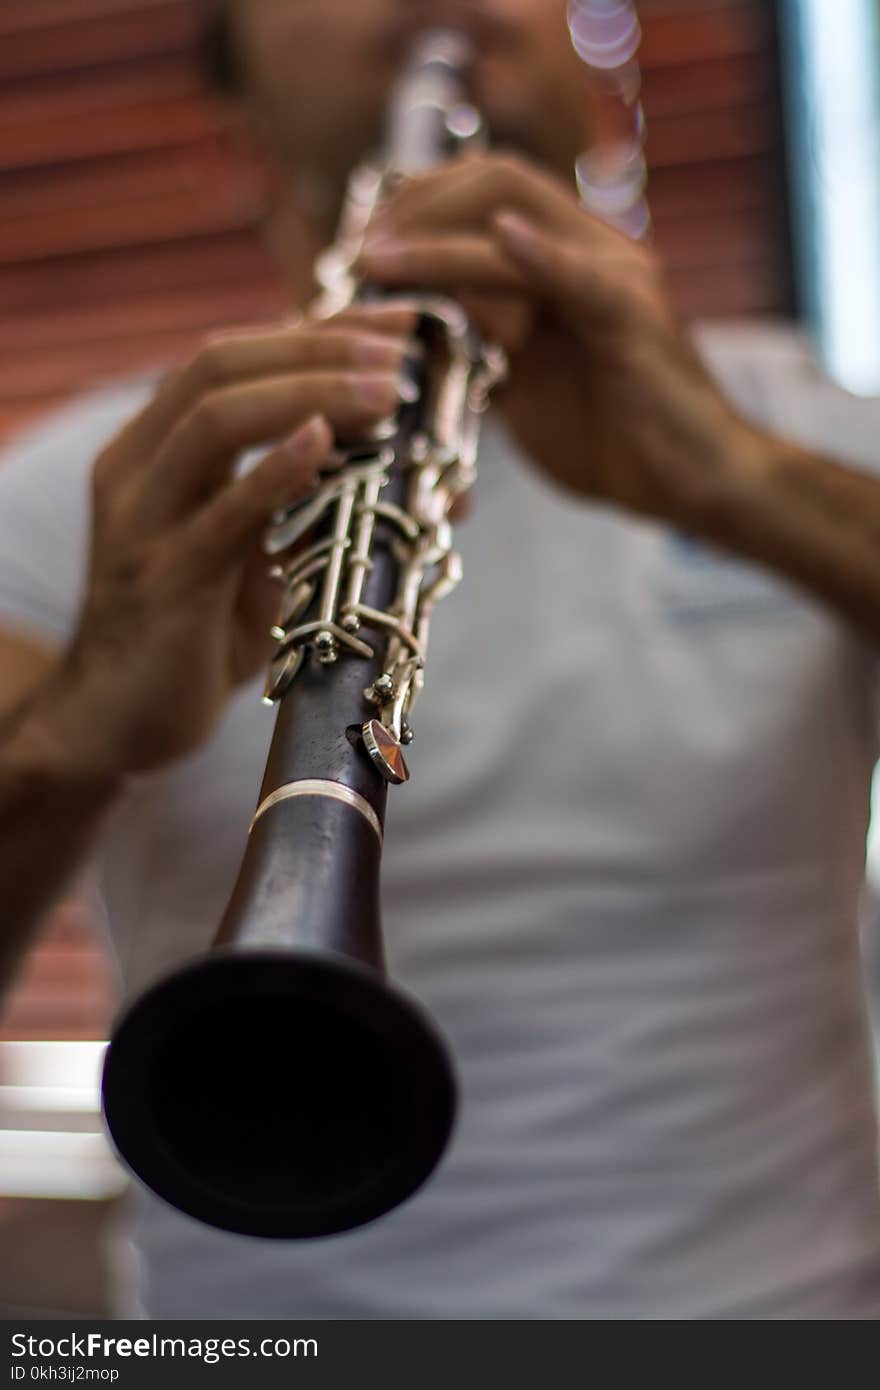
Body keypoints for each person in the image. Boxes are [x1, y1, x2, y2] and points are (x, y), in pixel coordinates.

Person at [1, 0, 880, 1319]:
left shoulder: (795, 419)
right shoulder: (90, 487)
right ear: (231, 149)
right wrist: (70, 734)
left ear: (602, 108)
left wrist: (738, 480)